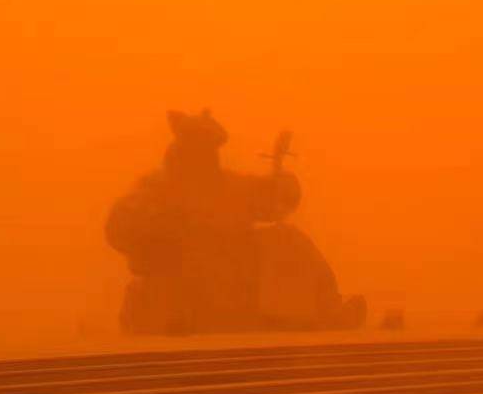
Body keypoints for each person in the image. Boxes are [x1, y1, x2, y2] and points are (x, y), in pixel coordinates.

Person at [106, 110, 366, 334]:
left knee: (289, 240)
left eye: (209, 149)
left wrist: (281, 183)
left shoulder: (224, 185)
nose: (206, 155)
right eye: (199, 147)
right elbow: (118, 224)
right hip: (180, 291)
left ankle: (328, 311)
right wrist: (158, 223)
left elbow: (268, 197)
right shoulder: (156, 188)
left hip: (234, 285)